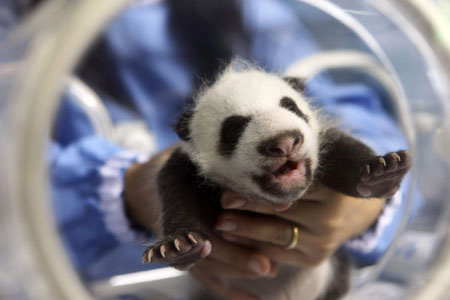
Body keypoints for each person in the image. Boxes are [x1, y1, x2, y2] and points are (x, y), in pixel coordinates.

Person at [48, 0, 412, 299]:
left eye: (288, 109)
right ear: (192, 139)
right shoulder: (182, 170)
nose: (283, 140)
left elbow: (345, 107)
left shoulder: (253, 10)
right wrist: (131, 198)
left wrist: (370, 193)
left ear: (301, 101)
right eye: (235, 129)